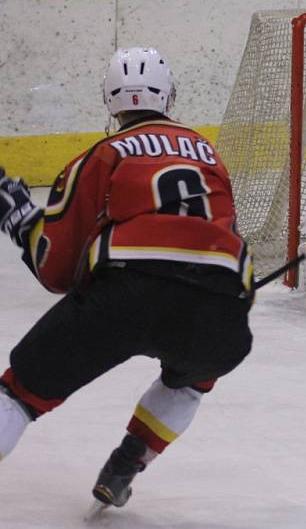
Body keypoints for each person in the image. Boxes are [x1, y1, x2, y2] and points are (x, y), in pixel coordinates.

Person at [0, 47, 253, 510]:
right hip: (222, 308)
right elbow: (233, 247)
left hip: (128, 294)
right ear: (170, 96)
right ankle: (126, 465)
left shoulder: (104, 153)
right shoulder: (210, 155)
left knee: (19, 393)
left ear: (109, 100)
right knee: (194, 378)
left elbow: (55, 267)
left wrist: (17, 218)